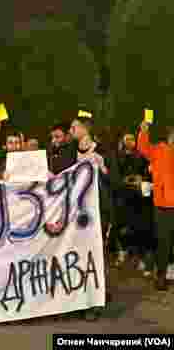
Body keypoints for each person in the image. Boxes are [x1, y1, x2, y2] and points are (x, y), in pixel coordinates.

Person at [71, 116, 112, 319]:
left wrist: (103, 168)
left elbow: (115, 179)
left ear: (84, 129)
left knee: (95, 254)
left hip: (98, 211)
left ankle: (94, 304)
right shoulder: (71, 152)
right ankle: (79, 299)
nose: (71, 130)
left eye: (74, 126)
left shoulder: (102, 151)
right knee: (78, 255)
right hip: (77, 213)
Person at [138, 121, 174, 291]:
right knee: (163, 241)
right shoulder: (159, 149)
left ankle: (165, 272)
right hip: (163, 204)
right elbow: (143, 149)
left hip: (166, 202)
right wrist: (144, 131)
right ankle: (161, 275)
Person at [117, 132, 154, 277]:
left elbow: (147, 172)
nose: (130, 142)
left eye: (132, 139)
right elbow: (116, 174)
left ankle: (142, 259)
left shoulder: (141, 155)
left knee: (140, 227)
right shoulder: (119, 156)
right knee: (124, 226)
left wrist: (141, 178)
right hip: (124, 197)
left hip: (140, 197)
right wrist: (124, 180)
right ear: (122, 141)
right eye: (127, 139)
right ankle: (123, 253)